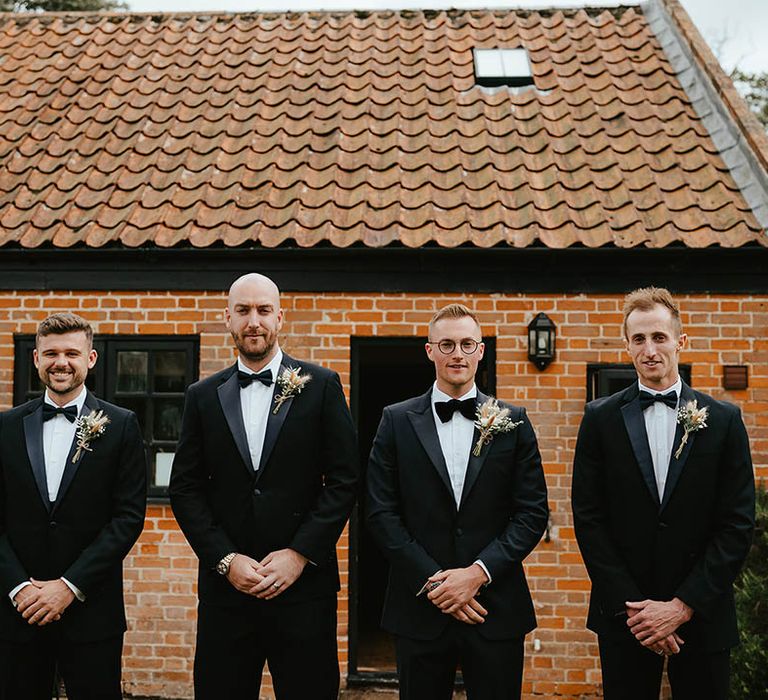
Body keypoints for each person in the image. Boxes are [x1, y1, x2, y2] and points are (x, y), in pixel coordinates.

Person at [170, 273, 358, 699]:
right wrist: (225, 559)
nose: (253, 321)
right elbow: (185, 489)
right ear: (227, 319)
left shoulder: (322, 386)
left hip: (304, 592)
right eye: (243, 311)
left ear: (280, 318)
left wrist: (298, 554)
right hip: (226, 596)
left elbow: (344, 480)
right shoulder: (202, 396)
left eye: (263, 310)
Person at [572, 287, 755, 699]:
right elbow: (589, 517)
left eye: (659, 337)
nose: (649, 349)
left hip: (702, 613)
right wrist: (636, 611)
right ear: (626, 345)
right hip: (626, 616)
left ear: (680, 341)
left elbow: (737, 522)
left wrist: (681, 606)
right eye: (638, 339)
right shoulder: (599, 419)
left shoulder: (723, 420)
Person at [366, 303, 548, 700]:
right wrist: (437, 584)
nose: (457, 354)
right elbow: (380, 512)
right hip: (419, 607)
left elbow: (532, 513)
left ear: (481, 351)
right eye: (446, 344)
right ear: (430, 351)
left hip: (495, 605)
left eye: (467, 344)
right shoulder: (396, 421)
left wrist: (477, 574)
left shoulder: (512, 421)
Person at [0, 312, 147, 699]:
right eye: (50, 353)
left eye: (71, 353)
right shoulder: (6, 427)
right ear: (36, 359)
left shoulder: (121, 425)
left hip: (91, 612)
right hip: (18, 612)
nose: (60, 362)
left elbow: (127, 518)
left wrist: (69, 586)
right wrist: (18, 588)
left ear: (91, 359)